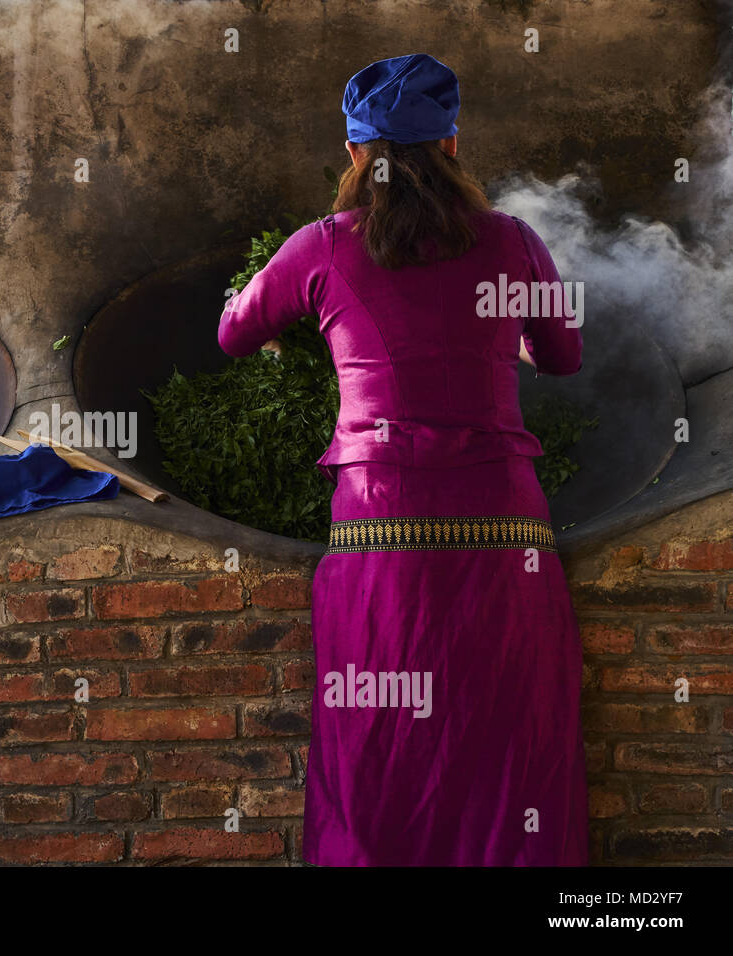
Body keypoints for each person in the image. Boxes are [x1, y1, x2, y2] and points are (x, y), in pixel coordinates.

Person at [218, 54, 588, 866]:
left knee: (380, 744)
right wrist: (512, 343)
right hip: (504, 526)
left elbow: (233, 333)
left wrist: (274, 312)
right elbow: (563, 355)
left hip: (382, 528)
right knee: (509, 739)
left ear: (356, 155)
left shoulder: (319, 246)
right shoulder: (513, 240)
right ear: (452, 143)